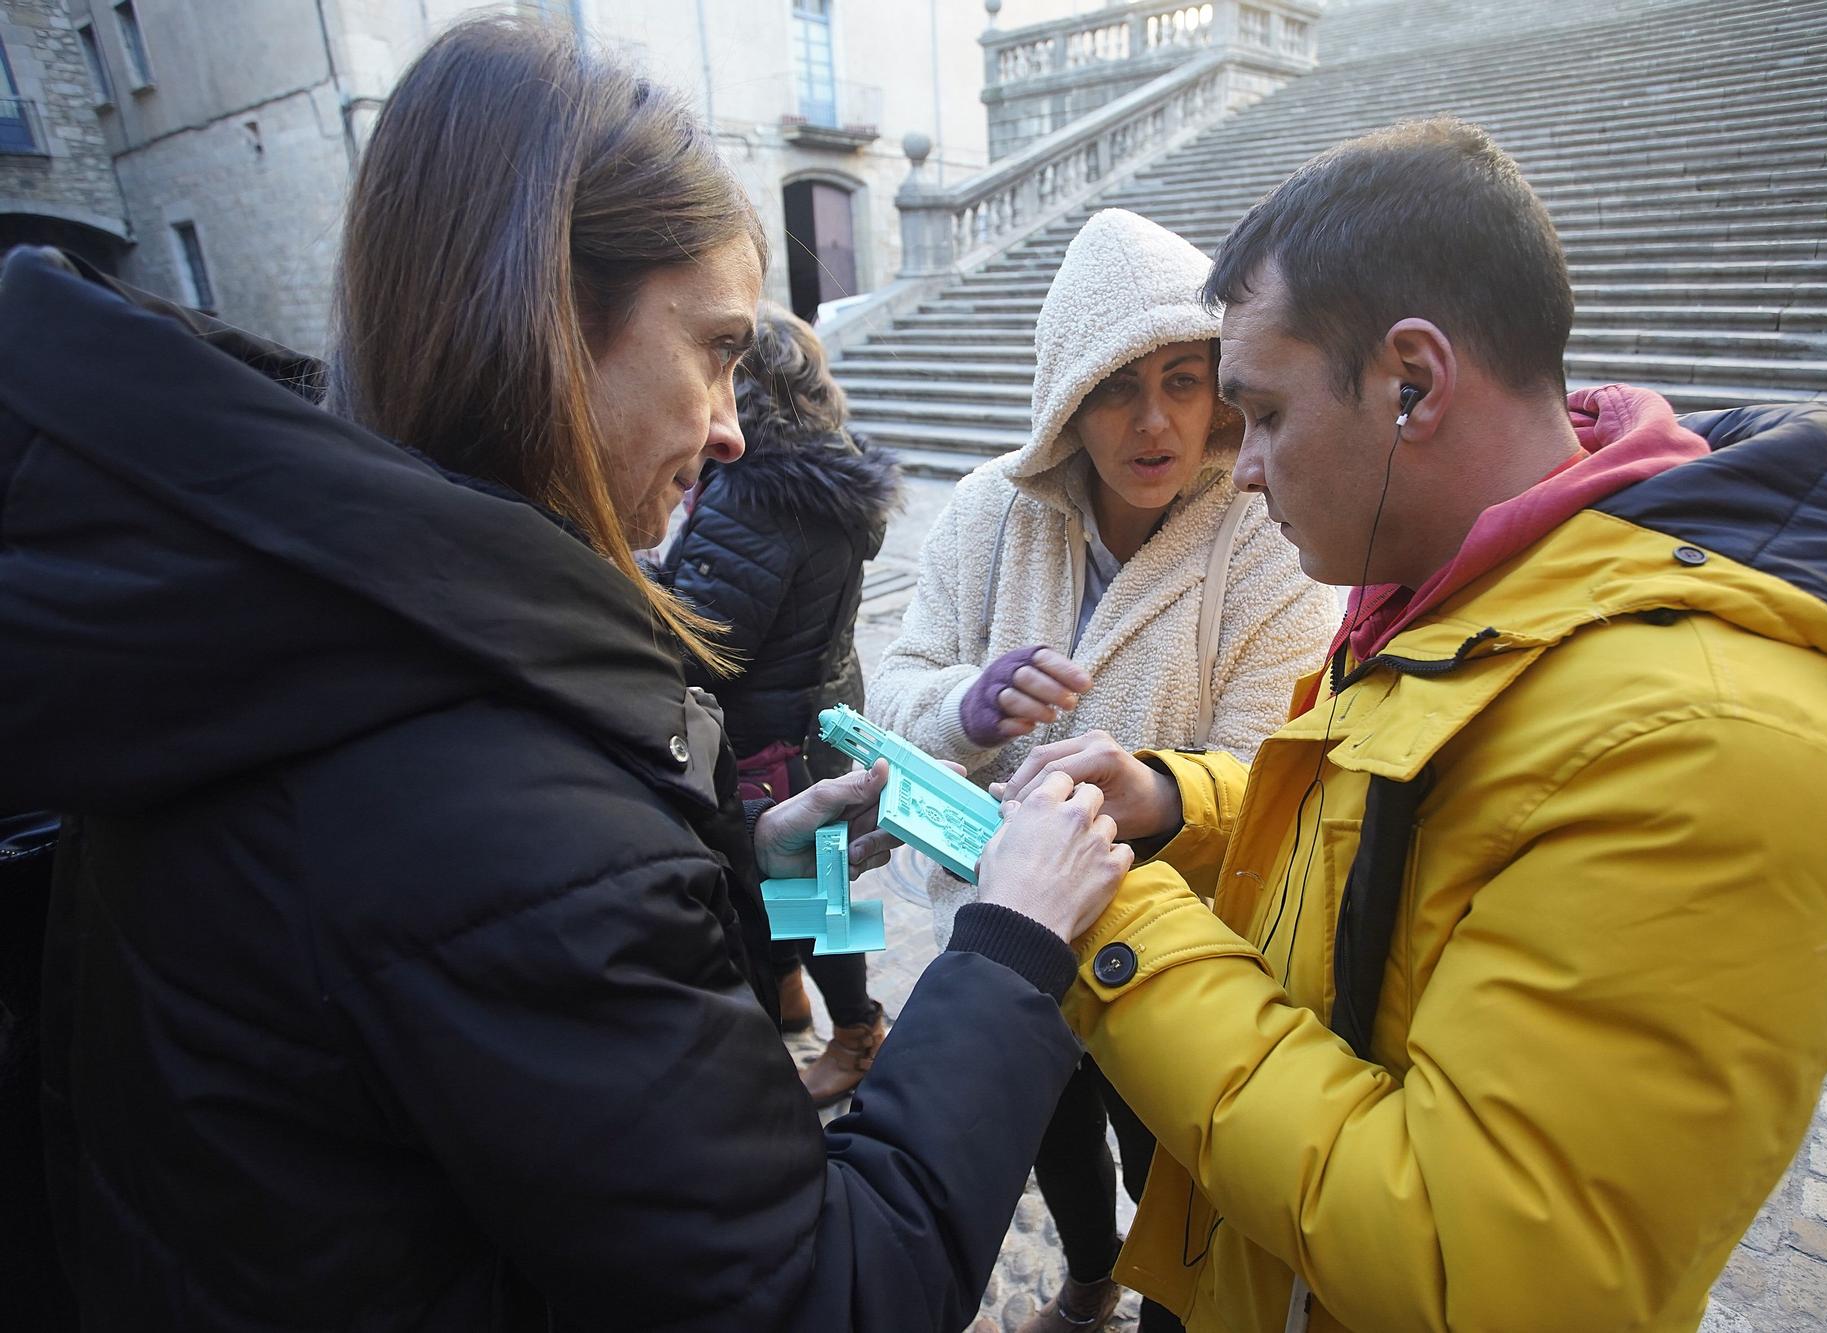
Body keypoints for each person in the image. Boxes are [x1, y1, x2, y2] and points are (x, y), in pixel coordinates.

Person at [0, 19, 1135, 1331]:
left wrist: (743, 875)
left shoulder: (294, 636)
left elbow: (502, 1020)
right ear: (543, 322)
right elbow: (827, 1295)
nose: (726, 422)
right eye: (710, 348)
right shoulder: (479, 796)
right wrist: (1009, 947)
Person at [1000, 118, 1827, 1331]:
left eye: (1258, 415)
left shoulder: (1717, 747)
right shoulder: (1455, 581)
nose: (1242, 467)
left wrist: (1112, 915)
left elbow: (1476, 1267)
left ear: (1409, 383)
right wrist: (1172, 802)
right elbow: (1394, 831)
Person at [871, 207, 1340, 1333]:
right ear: (1066, 399)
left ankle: (1160, 1298)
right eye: (1117, 387)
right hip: (1004, 920)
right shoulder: (989, 510)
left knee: (1167, 1155)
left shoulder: (1265, 527)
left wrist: (1149, 787)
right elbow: (894, 685)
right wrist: (962, 702)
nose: (1155, 421)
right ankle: (1087, 1278)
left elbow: (1265, 770)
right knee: (1046, 1128)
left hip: (1171, 949)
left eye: (1186, 380)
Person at [656, 302, 901, 1107]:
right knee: (816, 885)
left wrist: (635, 588)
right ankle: (799, 997)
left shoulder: (756, 494)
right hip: (819, 715)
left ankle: (860, 1032)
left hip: (770, 737)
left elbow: (707, 636)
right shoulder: (822, 476)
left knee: (809, 894)